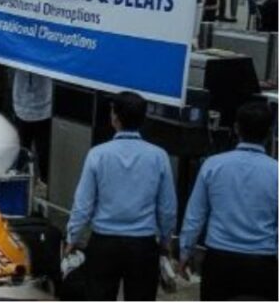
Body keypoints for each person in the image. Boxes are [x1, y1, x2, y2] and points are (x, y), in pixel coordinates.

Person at [66, 92, 177, 301]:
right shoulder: (159, 156)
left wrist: (72, 237)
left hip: (104, 243)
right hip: (143, 245)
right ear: (143, 119)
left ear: (115, 117)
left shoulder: (98, 154)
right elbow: (167, 208)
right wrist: (165, 241)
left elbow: (83, 204)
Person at [178, 102, 277, 301]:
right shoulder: (276, 172)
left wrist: (185, 252)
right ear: (269, 133)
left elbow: (195, 215)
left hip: (219, 261)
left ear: (236, 128)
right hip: (262, 263)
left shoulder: (213, 165)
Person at [11, 71, 53, 183]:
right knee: (22, 151)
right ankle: (21, 182)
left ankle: (44, 182)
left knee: (44, 152)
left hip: (44, 109)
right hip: (21, 106)